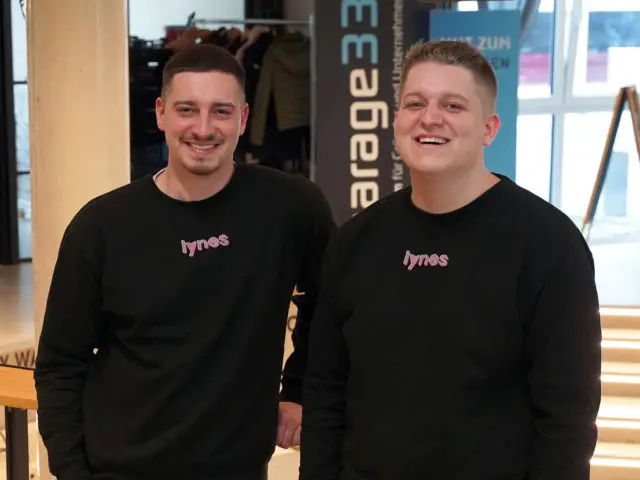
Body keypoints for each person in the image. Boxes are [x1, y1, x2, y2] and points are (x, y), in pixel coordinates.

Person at [299, 39, 602, 480]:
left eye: (453, 105)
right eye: (415, 103)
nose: (430, 118)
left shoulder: (548, 245)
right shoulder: (354, 241)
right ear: (397, 119)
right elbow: (326, 391)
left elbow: (567, 419)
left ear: (489, 128)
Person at [34, 43, 335, 480]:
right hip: (121, 466)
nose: (203, 128)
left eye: (221, 111)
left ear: (243, 119)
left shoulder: (291, 208)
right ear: (161, 113)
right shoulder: (102, 226)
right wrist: (71, 471)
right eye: (187, 110)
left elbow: (332, 303)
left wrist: (299, 389)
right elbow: (61, 363)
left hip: (238, 466)